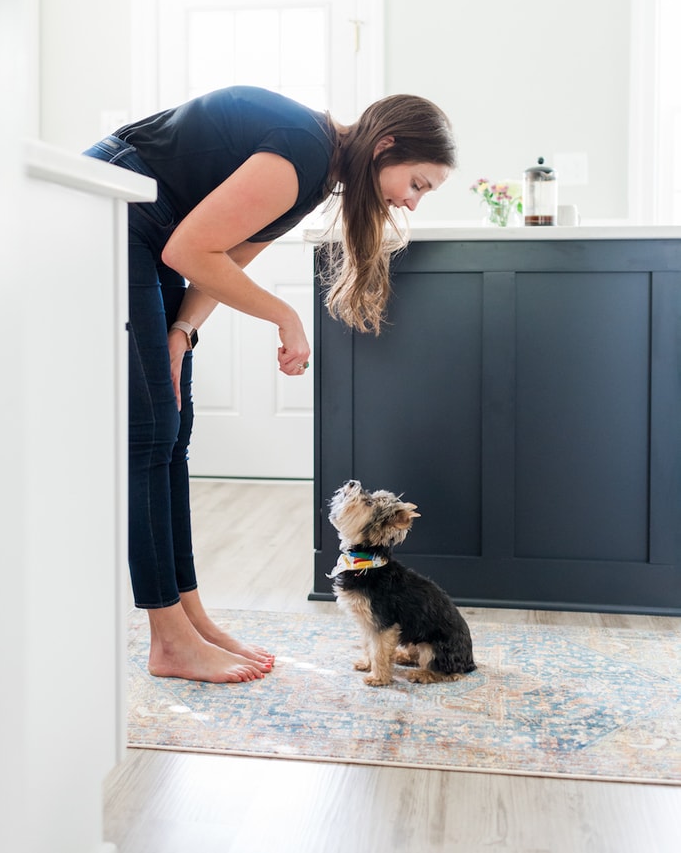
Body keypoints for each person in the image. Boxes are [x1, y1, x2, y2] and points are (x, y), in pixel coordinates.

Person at [84, 85, 457, 684]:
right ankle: (169, 639)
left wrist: (183, 330)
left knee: (172, 431)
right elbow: (190, 248)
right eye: (417, 182)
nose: (411, 202)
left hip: (146, 232)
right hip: (106, 211)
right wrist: (284, 316)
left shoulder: (316, 175)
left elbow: (223, 257)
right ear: (386, 145)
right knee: (151, 433)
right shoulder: (303, 152)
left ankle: (191, 617)